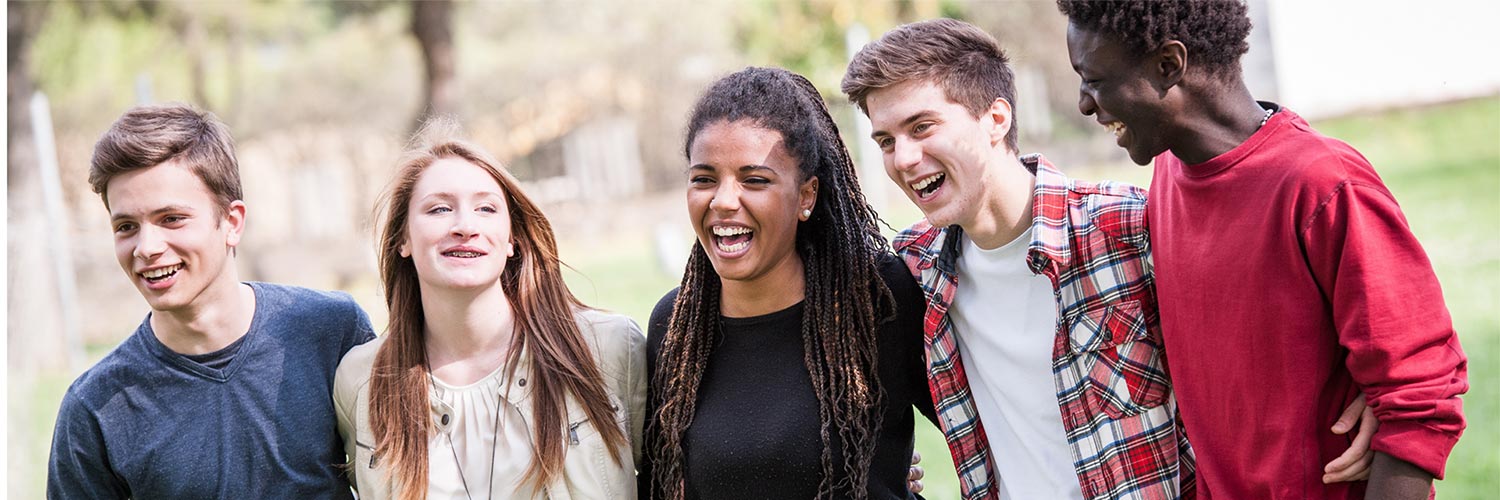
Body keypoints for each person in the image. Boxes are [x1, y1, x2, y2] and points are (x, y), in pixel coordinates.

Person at [843, 18, 1378, 500]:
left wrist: (1374, 396)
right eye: (886, 140)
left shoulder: (1130, 227)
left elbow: (1271, 336)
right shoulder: (914, 271)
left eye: (922, 127)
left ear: (996, 118)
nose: (903, 159)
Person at [1055, 2, 1469, 498]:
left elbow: (1419, 397)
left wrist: (1384, 400)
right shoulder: (1167, 176)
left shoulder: (1321, 184)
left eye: (1095, 80)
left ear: (1169, 65)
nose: (1083, 104)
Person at [47, 103, 375, 498]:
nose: (146, 248)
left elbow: (400, 476)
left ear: (232, 222)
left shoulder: (332, 332)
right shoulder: (95, 407)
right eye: (126, 227)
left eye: (171, 219)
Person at [639, 66, 935, 500]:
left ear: (807, 196)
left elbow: (988, 435)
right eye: (704, 179)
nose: (723, 201)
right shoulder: (675, 327)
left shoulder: (877, 299)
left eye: (754, 180)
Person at [332, 130, 645, 499]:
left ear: (511, 238)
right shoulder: (361, 380)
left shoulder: (607, 349)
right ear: (403, 239)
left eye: (486, 208)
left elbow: (672, 477)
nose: (465, 226)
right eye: (439, 209)